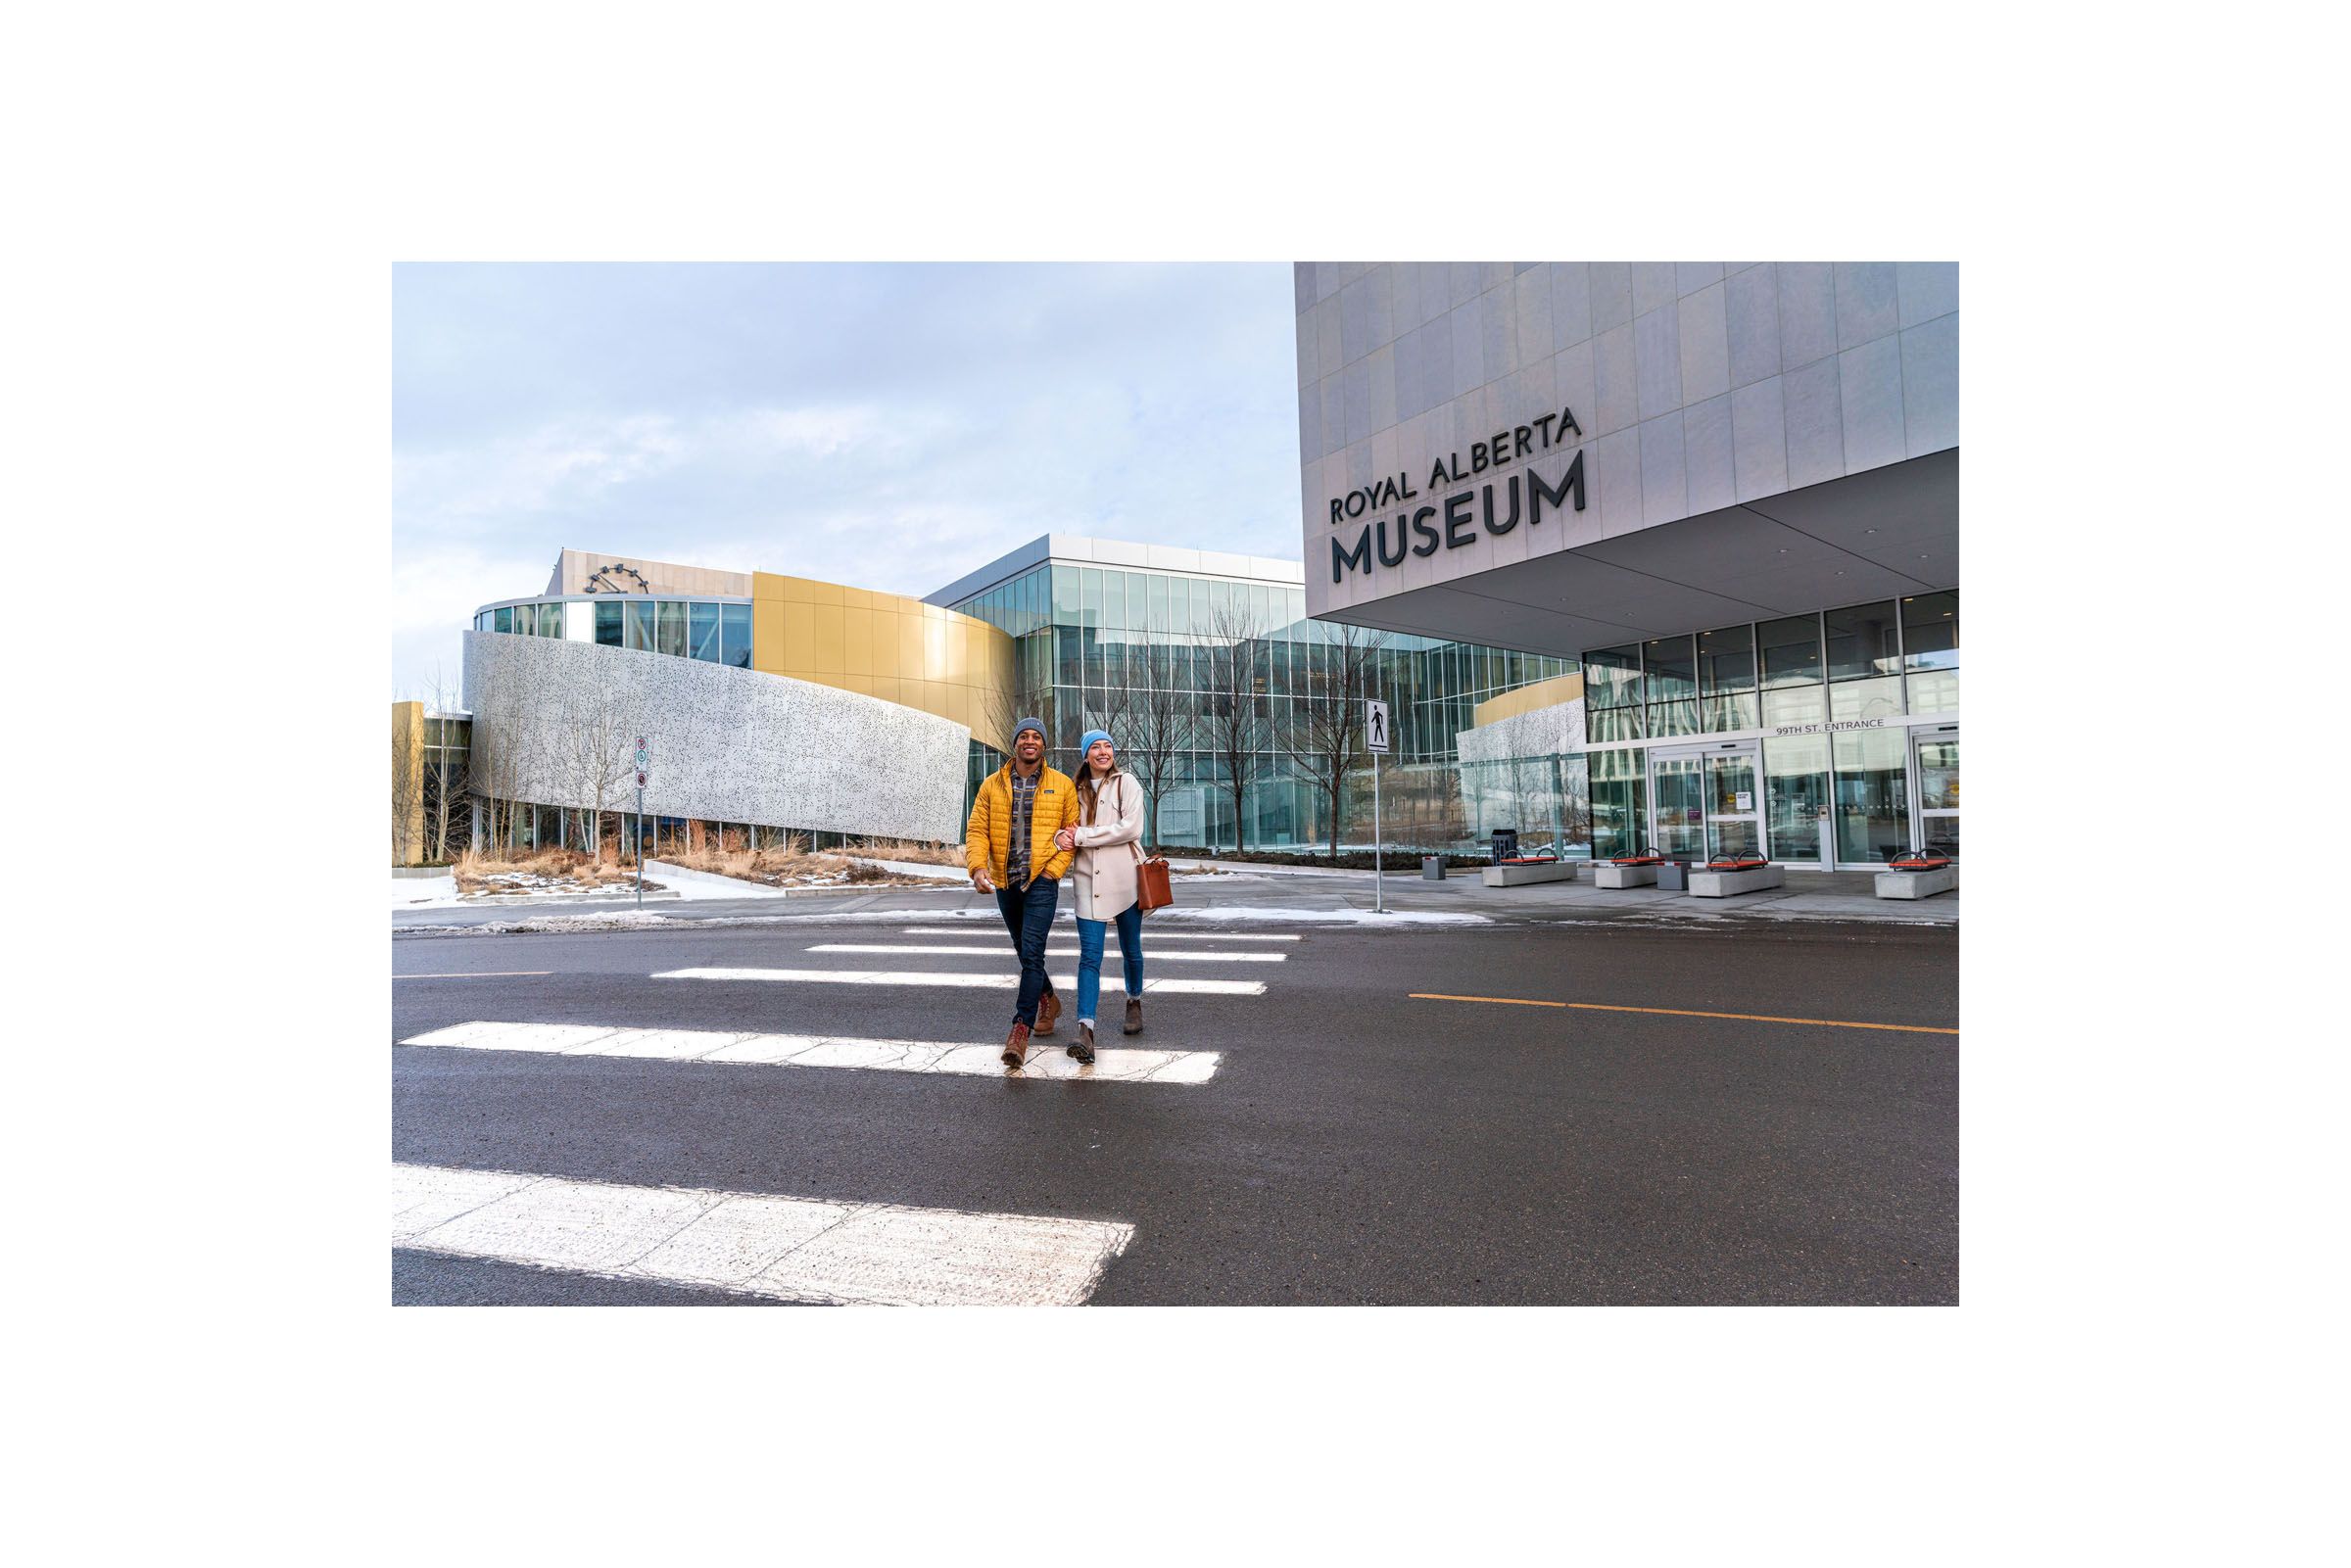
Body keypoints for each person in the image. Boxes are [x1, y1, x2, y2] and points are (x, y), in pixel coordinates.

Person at [964, 717, 1079, 1069]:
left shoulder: (1062, 785)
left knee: (1032, 952)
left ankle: (1020, 1030)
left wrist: (1053, 871)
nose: (1030, 741)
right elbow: (977, 829)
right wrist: (978, 867)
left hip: (1042, 880)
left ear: (1044, 745)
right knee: (1023, 949)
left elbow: (1072, 833)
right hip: (1006, 880)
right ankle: (1049, 999)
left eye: (1036, 737)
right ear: (1015, 744)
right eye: (1024, 736)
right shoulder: (991, 785)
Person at [1053, 728, 1146, 1062]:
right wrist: (1060, 839)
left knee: (1130, 949)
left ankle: (1134, 1001)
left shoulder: (1127, 783)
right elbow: (1060, 829)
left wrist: (1083, 836)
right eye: (1095, 747)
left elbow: (1132, 828)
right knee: (1089, 957)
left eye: (1108, 746)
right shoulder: (1072, 790)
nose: (1103, 751)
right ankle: (1085, 1030)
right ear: (1086, 755)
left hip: (1125, 880)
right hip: (1087, 883)